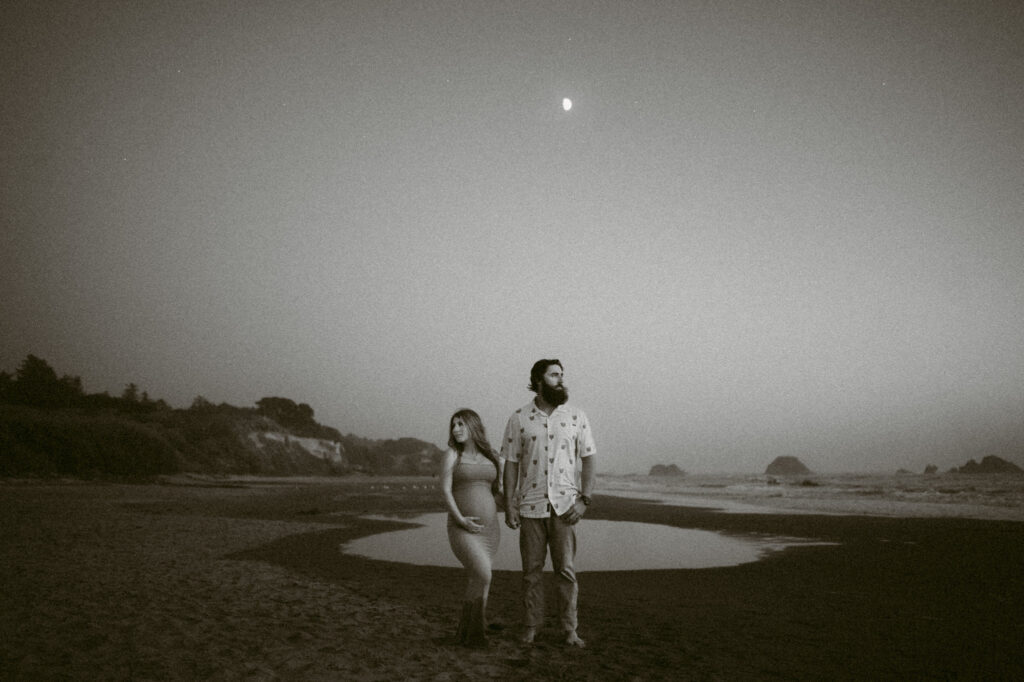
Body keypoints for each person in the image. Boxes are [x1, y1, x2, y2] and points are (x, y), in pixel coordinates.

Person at [501, 359, 596, 647]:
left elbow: (589, 458)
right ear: (539, 380)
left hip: (565, 507)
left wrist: (584, 500)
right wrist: (510, 504)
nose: (560, 379)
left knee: (566, 571)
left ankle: (570, 630)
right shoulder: (519, 418)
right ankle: (531, 626)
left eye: (562, 375)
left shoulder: (577, 416)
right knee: (531, 572)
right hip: (530, 505)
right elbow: (511, 463)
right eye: (554, 375)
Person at [440, 408, 503, 647]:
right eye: (453, 425)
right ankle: (476, 633)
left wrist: (513, 510)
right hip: (462, 528)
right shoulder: (452, 455)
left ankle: (469, 633)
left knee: (479, 579)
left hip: (490, 531)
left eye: (461, 424)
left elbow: (494, 493)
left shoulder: (491, 458)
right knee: (484, 574)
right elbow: (445, 491)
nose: (456, 429)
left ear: (473, 426)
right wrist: (461, 519)